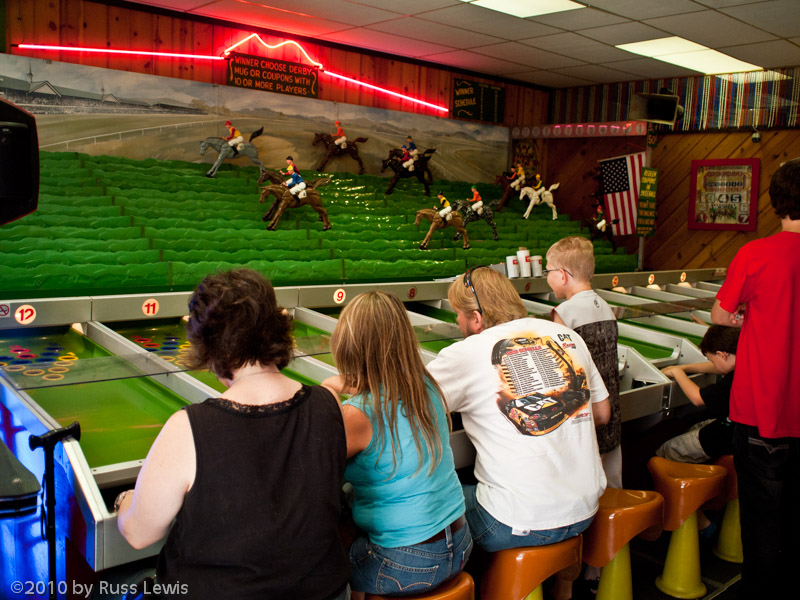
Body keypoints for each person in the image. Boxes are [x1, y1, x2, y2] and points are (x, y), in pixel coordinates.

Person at [116, 268, 350, 600]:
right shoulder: (329, 403)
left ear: (209, 345)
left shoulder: (187, 427)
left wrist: (125, 501)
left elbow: (140, 534)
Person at [427, 266, 609, 600]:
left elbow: (408, 408)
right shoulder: (566, 335)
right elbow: (601, 414)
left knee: (426, 502)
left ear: (476, 318)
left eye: (458, 315)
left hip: (512, 522)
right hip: (585, 511)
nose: (458, 322)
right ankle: (562, 585)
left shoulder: (465, 352)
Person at [325, 291, 471, 598]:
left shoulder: (358, 414)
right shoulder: (426, 385)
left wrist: (328, 392)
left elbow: (316, 462)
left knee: (324, 563)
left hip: (408, 563)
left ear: (347, 346)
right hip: (460, 544)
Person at [711, 157, 800, 599]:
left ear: (776, 200)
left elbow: (720, 314)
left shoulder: (756, 253)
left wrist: (749, 316)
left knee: (762, 529)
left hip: (762, 412)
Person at [545, 236, 622, 489]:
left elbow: (561, 369)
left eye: (548, 271)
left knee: (588, 488)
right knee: (612, 485)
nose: (547, 278)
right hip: (612, 412)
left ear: (562, 275)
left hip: (586, 417)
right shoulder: (605, 306)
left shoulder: (564, 312)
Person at [657, 325, 738, 465]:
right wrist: (685, 368)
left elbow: (698, 398)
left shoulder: (733, 381)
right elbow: (720, 367)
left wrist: (677, 372)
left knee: (667, 450)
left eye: (712, 360)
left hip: (728, 435)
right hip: (735, 429)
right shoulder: (746, 362)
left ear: (722, 355)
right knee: (693, 428)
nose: (713, 365)